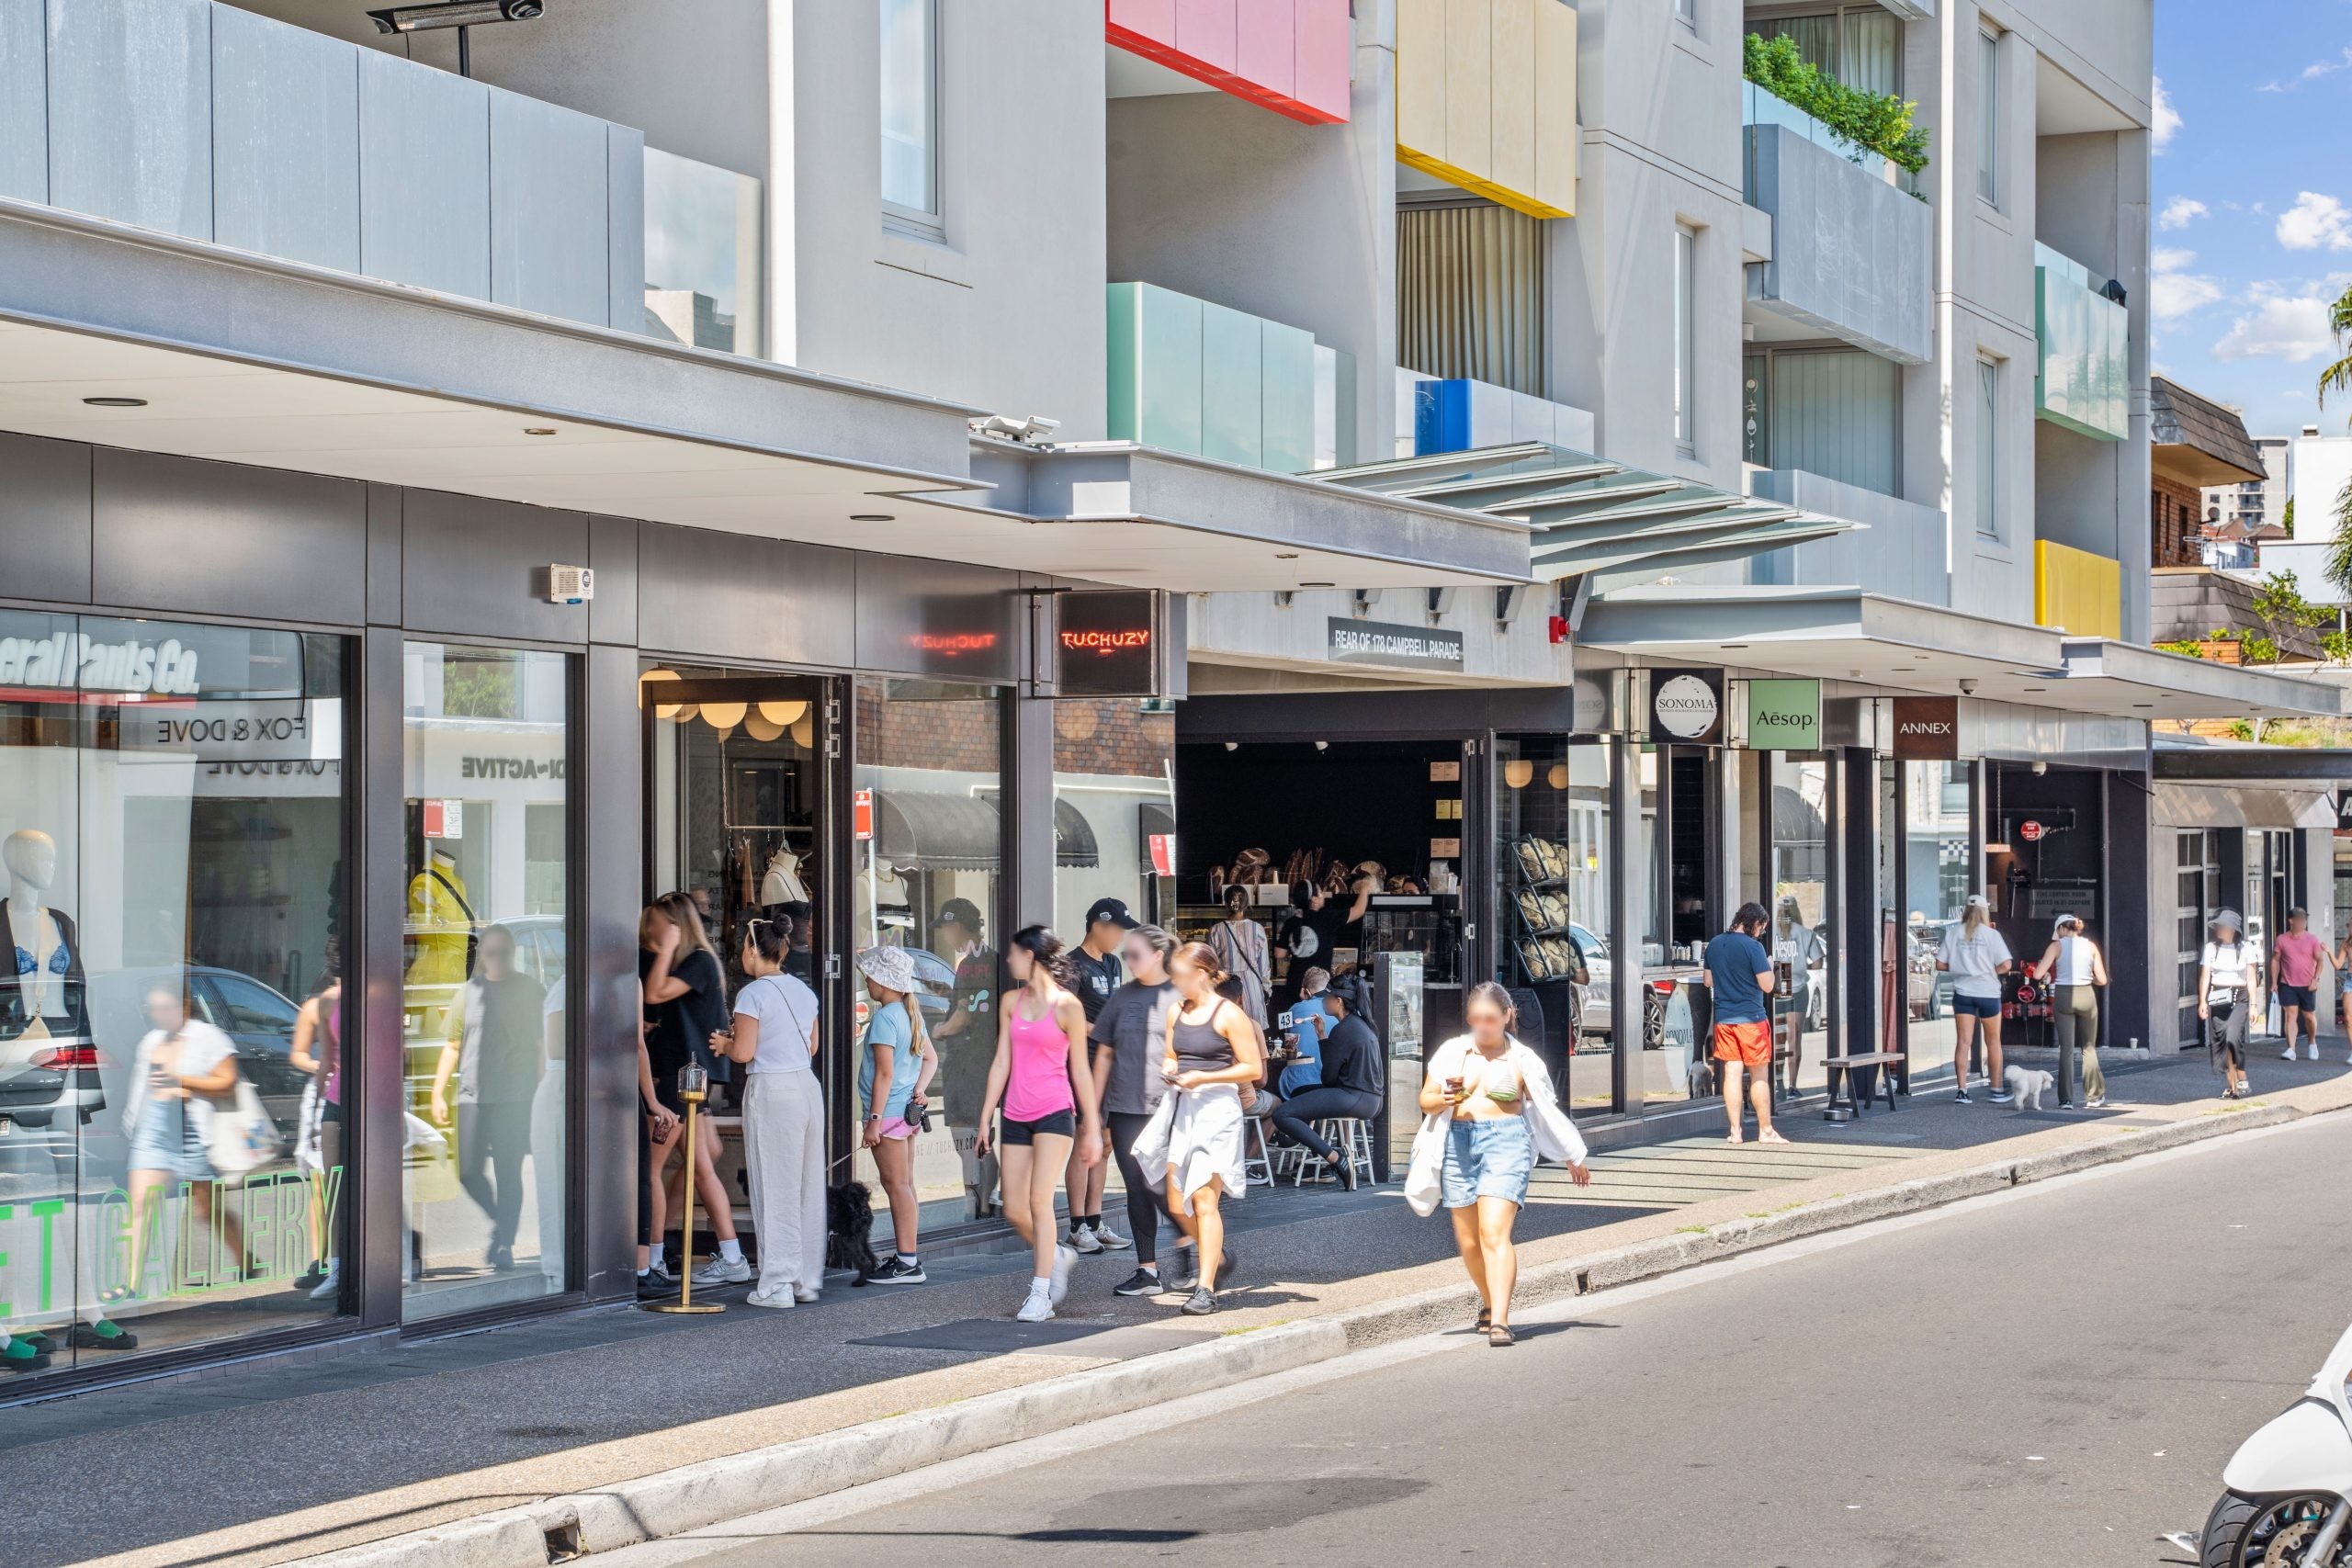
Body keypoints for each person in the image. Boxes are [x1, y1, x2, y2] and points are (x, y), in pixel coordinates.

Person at [1412, 982, 1591, 1348]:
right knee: (1468, 1241)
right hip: (1458, 1143)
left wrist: (1574, 1154)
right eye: (1475, 1018)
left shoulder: (1522, 1059)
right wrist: (1443, 1098)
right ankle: (1490, 1300)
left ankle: (1500, 1320)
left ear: (1507, 1015)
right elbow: (1426, 1101)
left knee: (1494, 1232)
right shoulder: (1453, 1052)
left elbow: (1546, 1112)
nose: (1482, 1026)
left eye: (1490, 1019)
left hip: (1507, 1143)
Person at [974, 926, 1105, 1323]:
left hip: (1054, 1111)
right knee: (1013, 1208)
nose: (1009, 961)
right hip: (1015, 1112)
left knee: (1038, 1201)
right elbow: (1001, 1061)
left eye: (1013, 954)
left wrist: (1093, 1127)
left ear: (1030, 957)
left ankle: (1040, 1293)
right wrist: (985, 1116)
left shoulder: (1068, 1006)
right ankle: (1059, 1256)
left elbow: (1080, 1071)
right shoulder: (1012, 1001)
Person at [711, 916, 826, 1306]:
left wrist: (723, 1044)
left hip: (773, 1089)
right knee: (806, 1184)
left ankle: (777, 1283)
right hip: (807, 1086)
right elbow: (811, 1047)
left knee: (774, 1185)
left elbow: (743, 1052)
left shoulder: (752, 994)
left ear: (750, 949)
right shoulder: (803, 991)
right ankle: (805, 1279)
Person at [1144, 941, 1262, 1315]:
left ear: (1200, 975)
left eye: (1178, 977)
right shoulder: (1176, 1010)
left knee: (1204, 1200)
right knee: (1176, 1201)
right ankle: (1218, 1255)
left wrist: (1204, 1077)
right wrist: (1169, 1066)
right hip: (1184, 1108)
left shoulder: (1229, 1015)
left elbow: (1254, 1069)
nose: (1174, 984)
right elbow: (1171, 1054)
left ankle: (1206, 1287)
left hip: (1218, 1112)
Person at [639, 893, 749, 1288]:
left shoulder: (697, 962)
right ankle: (731, 1254)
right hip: (685, 1075)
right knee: (703, 1166)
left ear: (675, 925)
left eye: (657, 925)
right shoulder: (687, 962)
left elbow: (653, 994)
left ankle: (653, 1259)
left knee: (650, 1169)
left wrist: (666, 948)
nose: (649, 931)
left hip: (681, 1077)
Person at [119, 977, 247, 1302]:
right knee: (140, 1205)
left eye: (166, 1008)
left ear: (185, 1006)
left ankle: (244, 1258)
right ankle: (131, 1283)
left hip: (192, 1131)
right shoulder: (150, 1041)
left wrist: (183, 1082)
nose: (159, 1015)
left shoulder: (208, 1037)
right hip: (153, 1132)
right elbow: (141, 1087)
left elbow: (227, 1083)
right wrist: (132, 1123)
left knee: (206, 1212)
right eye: (154, 1009)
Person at [429, 924, 545, 1272]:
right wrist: (438, 1091)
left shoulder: (529, 990)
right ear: (483, 956)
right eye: (490, 952)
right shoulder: (469, 991)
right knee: (466, 1171)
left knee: (508, 1172)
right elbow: (452, 1045)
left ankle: (505, 1243)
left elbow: (542, 1047)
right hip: (472, 1095)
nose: (497, 958)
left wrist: (540, 1092)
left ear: (512, 953)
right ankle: (500, 1222)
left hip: (515, 1096)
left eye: (503, 952)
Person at [1091, 924, 1183, 1297]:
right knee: (1137, 1188)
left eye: (1135, 954)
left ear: (1158, 956)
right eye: (1125, 954)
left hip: (1169, 1108)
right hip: (1125, 1107)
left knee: (1165, 1186)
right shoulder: (1121, 997)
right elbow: (1105, 1054)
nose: (1127, 960)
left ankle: (1202, 1249)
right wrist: (1096, 1111)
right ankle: (1148, 1271)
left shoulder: (1179, 995)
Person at [854, 944, 938, 1285]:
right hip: (906, 1114)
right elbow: (930, 1059)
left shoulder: (886, 1017)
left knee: (896, 1186)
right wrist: (920, 1088)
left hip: (887, 1114)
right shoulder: (908, 1012)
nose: (867, 983)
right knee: (905, 1185)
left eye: (869, 978)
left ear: (882, 981)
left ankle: (907, 1262)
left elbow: (883, 1074)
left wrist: (873, 1121)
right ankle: (908, 1257)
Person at [1065, 897, 1136, 1256]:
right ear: (1098, 925)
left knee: (1104, 1143)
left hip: (1112, 1063)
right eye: (1118, 929)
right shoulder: (1071, 966)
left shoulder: (1112, 963)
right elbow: (1067, 1021)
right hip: (1084, 1064)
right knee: (1085, 1139)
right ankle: (1076, 1225)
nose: (1121, 937)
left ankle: (1094, 1220)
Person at [1270, 975, 1382, 1189]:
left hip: (1352, 1096)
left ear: (1338, 1001)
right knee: (1301, 1093)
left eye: (1326, 998)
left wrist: (1323, 1039)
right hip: (1369, 1099)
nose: (1323, 1002)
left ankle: (1334, 1157)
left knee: (1281, 1113)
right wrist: (1321, 1034)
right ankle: (1327, 1153)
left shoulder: (1344, 1029)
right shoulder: (1361, 1024)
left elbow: (1328, 1078)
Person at [1704, 903, 1785, 1145]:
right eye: (1762, 927)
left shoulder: (1715, 944)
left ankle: (1735, 1132)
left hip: (1725, 1019)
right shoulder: (1754, 947)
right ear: (1755, 923)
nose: (1761, 933)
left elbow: (1708, 981)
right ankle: (1766, 1130)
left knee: (1731, 1073)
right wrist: (1769, 966)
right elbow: (1768, 985)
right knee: (1759, 1073)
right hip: (1751, 1019)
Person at [288, 972, 344, 1301]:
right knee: (322, 1184)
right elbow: (300, 1054)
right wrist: (322, 1069)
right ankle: (320, 1261)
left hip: (353, 1091)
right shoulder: (318, 1006)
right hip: (328, 1093)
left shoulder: (375, 996)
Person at [1939, 894, 2015, 1105]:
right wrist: (1991, 971)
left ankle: (1962, 1091)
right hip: (1988, 993)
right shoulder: (1991, 935)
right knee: (1993, 1042)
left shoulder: (1954, 934)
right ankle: (1996, 1089)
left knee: (1963, 1042)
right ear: (1984, 912)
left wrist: (1960, 968)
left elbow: (1939, 964)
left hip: (1963, 993)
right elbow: (2007, 964)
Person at [2029, 914, 2109, 1109]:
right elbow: (2102, 980)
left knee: (2066, 1049)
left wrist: (2047, 974)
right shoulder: (2091, 947)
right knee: (2088, 1047)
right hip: (2087, 995)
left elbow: (2038, 974)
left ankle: (2065, 1100)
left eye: (2057, 932)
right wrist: (2089, 979)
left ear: (2062, 929)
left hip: (2063, 995)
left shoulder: (2056, 946)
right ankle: (2094, 1096)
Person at [634, 986, 682, 1301]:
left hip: (590, 1083)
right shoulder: (629, 980)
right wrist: (652, 1101)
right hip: (620, 1087)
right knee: (644, 1176)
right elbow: (636, 1044)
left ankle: (649, 1262)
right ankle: (643, 1268)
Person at [2199, 908, 2258, 1100]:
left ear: (2233, 929)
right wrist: (2202, 1000)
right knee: (2221, 1041)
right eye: (2218, 926)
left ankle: (2242, 1077)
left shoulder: (2246, 947)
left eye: (2224, 926)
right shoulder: (2211, 948)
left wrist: (2254, 1005)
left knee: (2233, 1037)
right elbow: (2205, 976)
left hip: (2239, 994)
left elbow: (2251, 977)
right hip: (2218, 995)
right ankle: (2231, 1086)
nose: (2220, 930)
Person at [1771, 894, 1825, 1092]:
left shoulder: (1771, 933)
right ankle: (1793, 1084)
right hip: (1799, 988)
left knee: (1778, 1039)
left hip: (1777, 989)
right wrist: (1801, 966)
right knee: (1794, 1039)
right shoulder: (1806, 933)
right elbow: (1818, 962)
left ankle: (1779, 1084)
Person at [1206, 886, 1272, 1031]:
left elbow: (1212, 968)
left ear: (1225, 904)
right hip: (1252, 986)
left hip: (1225, 988)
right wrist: (1266, 990)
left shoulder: (1215, 931)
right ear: (1247, 904)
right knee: (1254, 1032)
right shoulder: (1258, 929)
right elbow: (1264, 967)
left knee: (1226, 1032)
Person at [2270, 907, 2325, 1064]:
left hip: (2308, 985)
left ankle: (2312, 1042)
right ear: (2291, 921)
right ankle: (2291, 1049)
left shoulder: (2312, 939)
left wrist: (2316, 979)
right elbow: (2275, 960)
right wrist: (2274, 982)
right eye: (2300, 919)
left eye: (2305, 919)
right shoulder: (2282, 939)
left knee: (2309, 1016)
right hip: (2287, 983)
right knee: (2290, 1015)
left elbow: (2320, 960)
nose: (2303, 922)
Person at [1272, 880, 1336, 1013]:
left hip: (1295, 982)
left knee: (1296, 1017)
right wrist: (1365, 890)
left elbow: (1279, 953)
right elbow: (1356, 911)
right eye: (1320, 893)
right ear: (1313, 898)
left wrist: (1295, 949)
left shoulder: (1292, 921)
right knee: (1320, 1016)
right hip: (1319, 984)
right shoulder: (1326, 919)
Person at [1275, 967, 1334, 1100]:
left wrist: (1303, 1001)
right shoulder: (1338, 1009)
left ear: (1305, 991)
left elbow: (1290, 1046)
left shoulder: (1295, 1009)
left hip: (1296, 1085)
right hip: (1331, 1085)